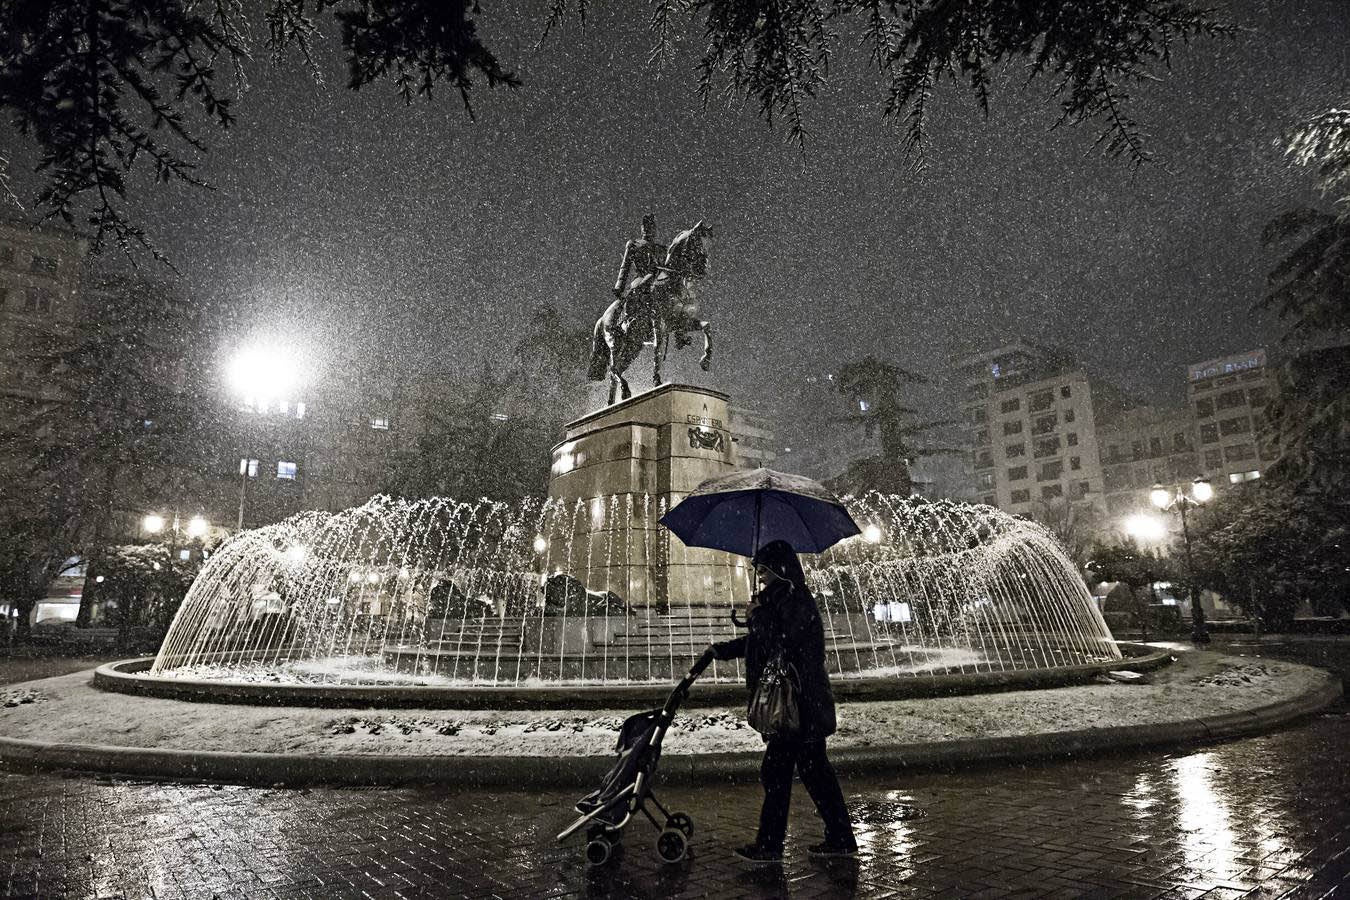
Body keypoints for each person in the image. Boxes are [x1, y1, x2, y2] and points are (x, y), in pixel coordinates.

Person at [700, 539, 857, 864]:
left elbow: (781, 643)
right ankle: (838, 837)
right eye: (758, 569)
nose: (759, 576)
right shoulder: (780, 600)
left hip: (799, 704)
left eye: (764, 570)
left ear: (780, 570)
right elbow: (762, 641)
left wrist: (757, 615)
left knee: (780, 771)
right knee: (812, 772)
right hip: (799, 706)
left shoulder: (795, 600)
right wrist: (723, 650)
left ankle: (772, 845)